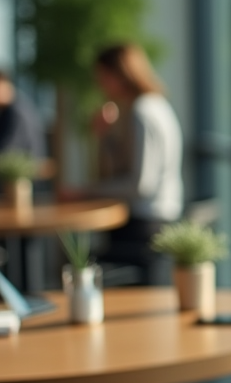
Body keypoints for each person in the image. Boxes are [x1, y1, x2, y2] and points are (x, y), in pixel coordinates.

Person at [68, 43, 183, 284]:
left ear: (119, 75)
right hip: (156, 219)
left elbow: (139, 185)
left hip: (145, 227)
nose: (100, 85)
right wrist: (105, 137)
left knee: (81, 268)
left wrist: (84, 192)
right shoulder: (154, 105)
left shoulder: (143, 112)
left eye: (103, 77)